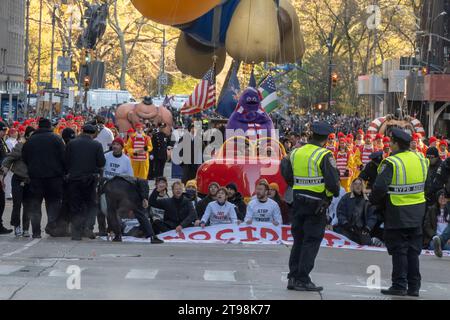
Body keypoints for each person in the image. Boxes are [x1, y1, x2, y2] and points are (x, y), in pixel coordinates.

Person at [281, 121, 340, 292]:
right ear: (326, 139)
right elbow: (333, 182)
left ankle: (293, 276)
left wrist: (294, 183)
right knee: (311, 241)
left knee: (298, 239)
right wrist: (331, 195)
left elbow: (284, 168)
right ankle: (303, 278)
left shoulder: (295, 152)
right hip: (317, 203)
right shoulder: (324, 155)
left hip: (298, 200)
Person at [369, 128, 429, 297]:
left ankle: (399, 285)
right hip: (418, 211)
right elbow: (428, 182)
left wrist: (374, 202)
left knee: (399, 250)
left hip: (397, 211)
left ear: (396, 144)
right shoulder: (420, 158)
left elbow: (379, 188)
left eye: (391, 142)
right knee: (413, 250)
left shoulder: (392, 162)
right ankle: (414, 287)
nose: (390, 145)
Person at [22, 118, 66, 238]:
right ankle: (51, 227)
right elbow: (64, 157)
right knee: (53, 203)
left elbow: (24, 157)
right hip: (54, 178)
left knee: (35, 205)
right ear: (49, 126)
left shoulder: (30, 140)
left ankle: (36, 232)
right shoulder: (56, 139)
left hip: (35, 178)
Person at [65, 124, 106, 241]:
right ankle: (88, 228)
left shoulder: (72, 143)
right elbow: (101, 163)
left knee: (76, 205)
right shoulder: (96, 145)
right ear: (93, 133)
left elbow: (66, 161)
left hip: (74, 179)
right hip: (90, 180)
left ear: (82, 131)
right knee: (91, 205)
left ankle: (76, 232)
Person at [2, 126, 35, 237]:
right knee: (17, 205)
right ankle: (17, 226)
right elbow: (9, 158)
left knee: (28, 205)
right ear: (27, 136)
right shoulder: (20, 146)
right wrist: (3, 172)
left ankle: (26, 229)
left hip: (30, 180)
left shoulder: (38, 148)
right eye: (31, 135)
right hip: (18, 178)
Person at [335, 178, 377, 245]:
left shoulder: (368, 200)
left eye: (360, 184)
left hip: (362, 230)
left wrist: (367, 228)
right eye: (355, 184)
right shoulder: (346, 198)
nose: (358, 186)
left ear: (363, 186)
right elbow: (340, 213)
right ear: (352, 186)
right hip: (346, 229)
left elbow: (373, 216)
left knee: (367, 244)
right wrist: (346, 224)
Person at [0, 122, 11, 234]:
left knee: (1, 202)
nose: (4, 133)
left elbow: (6, 154)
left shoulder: (2, 141)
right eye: (3, 131)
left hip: (2, 174)